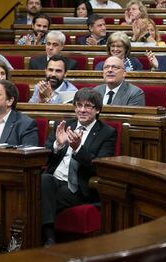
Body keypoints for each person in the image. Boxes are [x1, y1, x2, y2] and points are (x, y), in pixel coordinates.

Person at [40, 87, 116, 245]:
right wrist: (57, 145)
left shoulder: (107, 132)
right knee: (45, 179)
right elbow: (44, 158)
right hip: (54, 181)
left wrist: (78, 149)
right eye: (78, 105)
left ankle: (44, 237)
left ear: (97, 110)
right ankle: (49, 238)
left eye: (88, 106)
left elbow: (100, 167)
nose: (82, 110)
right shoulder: (65, 125)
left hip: (79, 188)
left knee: (37, 198)